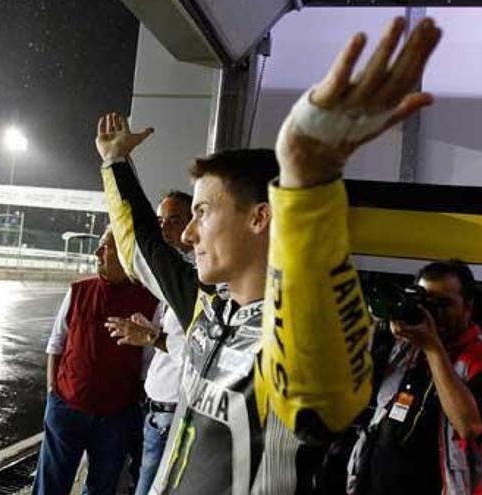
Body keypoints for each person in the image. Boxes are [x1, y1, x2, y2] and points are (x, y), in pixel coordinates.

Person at [96, 15, 442, 494]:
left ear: (260, 218)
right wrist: (114, 162)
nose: (191, 232)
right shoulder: (205, 309)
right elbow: (142, 249)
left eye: (203, 212)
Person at [346, 260, 482, 495]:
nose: (434, 313)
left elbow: (469, 426)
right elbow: (356, 391)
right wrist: (380, 323)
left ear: (468, 306)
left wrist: (433, 348)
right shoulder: (407, 346)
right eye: (426, 303)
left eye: (444, 304)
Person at [33, 228, 160, 495]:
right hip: (66, 408)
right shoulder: (79, 291)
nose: (97, 252)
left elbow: (148, 365)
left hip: (115, 416)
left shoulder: (150, 302)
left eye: (106, 247)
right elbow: (56, 344)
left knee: (101, 487)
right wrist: (52, 395)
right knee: (50, 485)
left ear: (126, 255)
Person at [104, 190, 194, 495]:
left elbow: (203, 354)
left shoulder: (197, 281)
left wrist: (153, 337)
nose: (165, 229)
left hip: (172, 414)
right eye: (160, 222)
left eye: (175, 221)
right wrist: (151, 332)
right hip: (155, 411)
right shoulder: (169, 283)